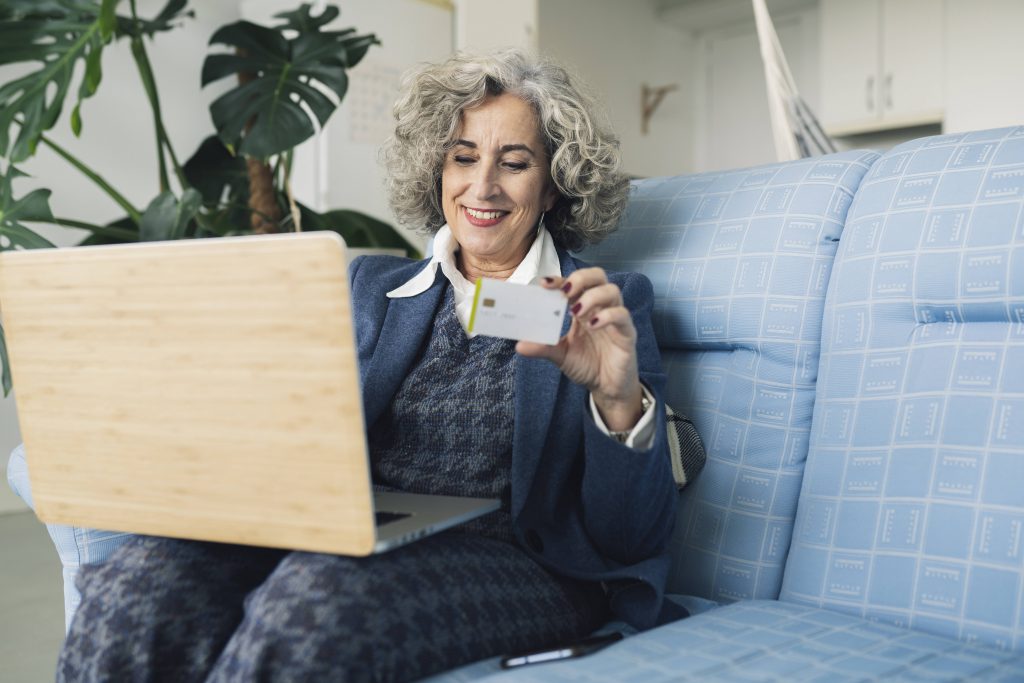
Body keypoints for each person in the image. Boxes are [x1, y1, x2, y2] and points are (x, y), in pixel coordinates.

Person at [56, 49, 705, 682]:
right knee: (141, 581)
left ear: (554, 187)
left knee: (317, 600)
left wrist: (618, 397)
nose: (482, 186)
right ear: (436, 171)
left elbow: (629, 537)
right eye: (463, 157)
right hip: (355, 532)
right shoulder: (370, 287)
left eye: (514, 162)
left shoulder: (604, 306)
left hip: (520, 561)